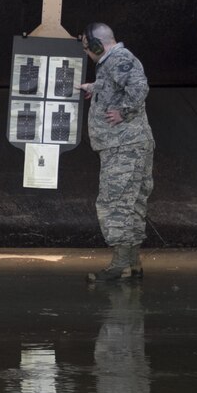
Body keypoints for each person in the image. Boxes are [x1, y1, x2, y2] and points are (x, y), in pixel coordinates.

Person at [78, 22, 153, 281]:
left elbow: (139, 88)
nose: (87, 53)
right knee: (132, 203)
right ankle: (133, 263)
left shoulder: (120, 58)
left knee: (115, 203)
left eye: (87, 48)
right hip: (127, 145)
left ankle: (120, 266)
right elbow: (116, 86)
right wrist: (93, 88)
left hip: (124, 146)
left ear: (97, 45)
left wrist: (124, 111)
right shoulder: (111, 62)